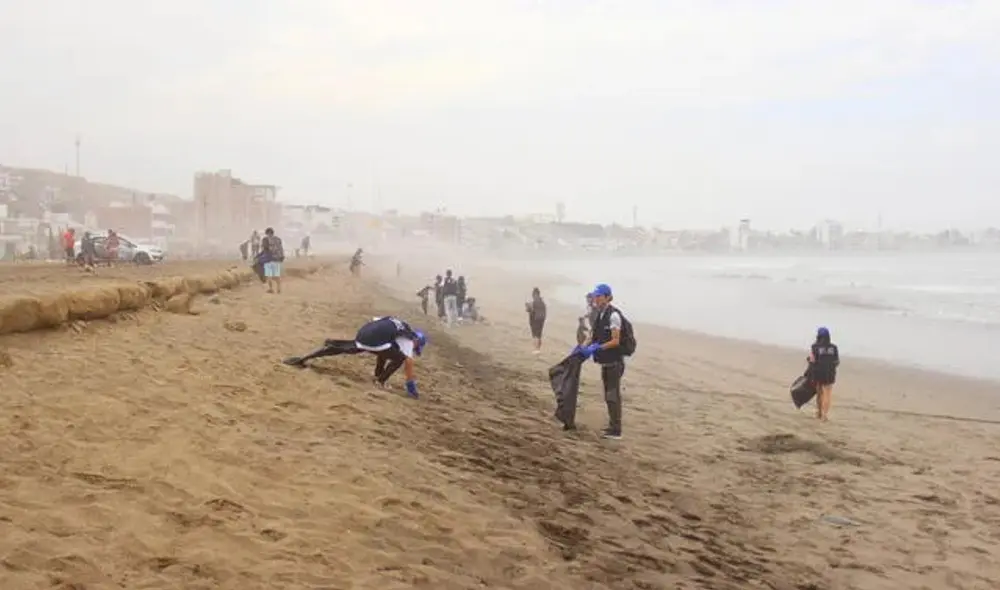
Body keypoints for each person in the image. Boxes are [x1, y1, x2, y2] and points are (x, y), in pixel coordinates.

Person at [284, 316, 427, 398]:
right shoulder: (409, 339)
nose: (413, 349)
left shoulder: (398, 323)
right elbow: (408, 362)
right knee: (399, 357)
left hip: (363, 334)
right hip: (374, 341)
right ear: (417, 341)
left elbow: (375, 321)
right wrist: (411, 386)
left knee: (386, 348)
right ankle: (380, 381)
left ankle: (378, 375)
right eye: (416, 347)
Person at [577, 283, 625, 440]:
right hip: (605, 362)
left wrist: (598, 348)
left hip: (615, 363)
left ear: (607, 297)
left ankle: (616, 430)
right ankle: (612, 425)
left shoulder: (614, 316)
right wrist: (582, 348)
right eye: (595, 297)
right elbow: (593, 336)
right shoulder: (600, 314)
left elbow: (616, 340)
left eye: (599, 296)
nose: (596, 299)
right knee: (608, 394)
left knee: (613, 395)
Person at [807, 327, 840, 421]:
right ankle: (824, 415)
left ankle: (819, 412)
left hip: (817, 372)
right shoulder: (834, 347)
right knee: (827, 394)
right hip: (829, 372)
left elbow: (812, 360)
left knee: (819, 393)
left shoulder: (815, 346)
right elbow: (837, 361)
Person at [260, 227, 285, 294]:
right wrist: (281, 257)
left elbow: (264, 249)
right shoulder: (278, 239)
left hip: (269, 259)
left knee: (269, 275)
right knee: (277, 275)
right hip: (277, 259)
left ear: (267, 233)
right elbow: (281, 249)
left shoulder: (265, 239)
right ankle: (279, 288)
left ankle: (271, 289)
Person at [526, 287, 547, 353]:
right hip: (541, 320)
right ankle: (538, 349)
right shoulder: (542, 302)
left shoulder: (535, 302)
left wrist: (528, 306)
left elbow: (529, 310)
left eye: (533, 294)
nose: (532, 296)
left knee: (535, 336)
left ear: (535, 294)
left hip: (536, 320)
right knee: (539, 335)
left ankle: (536, 349)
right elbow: (544, 312)